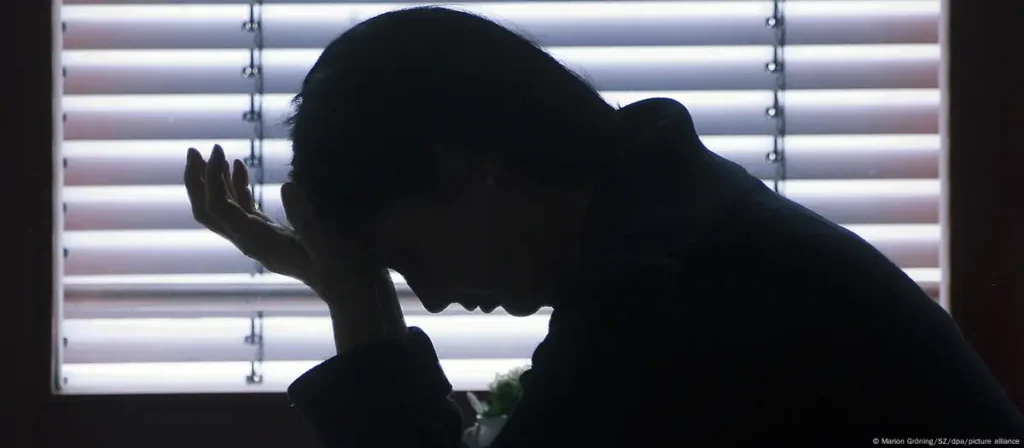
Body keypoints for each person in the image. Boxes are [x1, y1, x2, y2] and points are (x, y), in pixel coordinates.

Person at [183, 6, 1024, 447]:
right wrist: (351, 283)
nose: (430, 299)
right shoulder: (687, 231)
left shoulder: (662, 293)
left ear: (474, 169)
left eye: (411, 258)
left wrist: (354, 298)